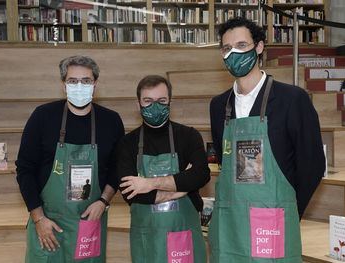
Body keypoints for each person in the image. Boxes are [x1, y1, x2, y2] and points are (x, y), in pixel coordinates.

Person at [208, 17, 326, 262]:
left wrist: (288, 210)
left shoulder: (292, 99)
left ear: (259, 47)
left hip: (272, 221)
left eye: (241, 45)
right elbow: (223, 159)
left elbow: (312, 165)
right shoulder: (219, 105)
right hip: (231, 223)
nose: (234, 54)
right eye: (227, 49)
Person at [16, 55, 124, 262]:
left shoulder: (111, 121)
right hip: (48, 222)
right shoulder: (43, 116)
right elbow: (25, 169)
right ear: (64, 85)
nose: (79, 86)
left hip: (90, 221)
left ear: (95, 84)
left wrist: (103, 201)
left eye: (86, 81)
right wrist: (38, 219)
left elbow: (117, 168)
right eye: (73, 81)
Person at [116, 75, 210, 263]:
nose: (155, 106)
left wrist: (148, 184)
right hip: (147, 237)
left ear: (170, 103)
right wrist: (181, 188)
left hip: (183, 233)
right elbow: (131, 193)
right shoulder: (127, 143)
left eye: (161, 101)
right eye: (148, 101)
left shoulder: (189, 136)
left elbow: (200, 175)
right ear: (138, 105)